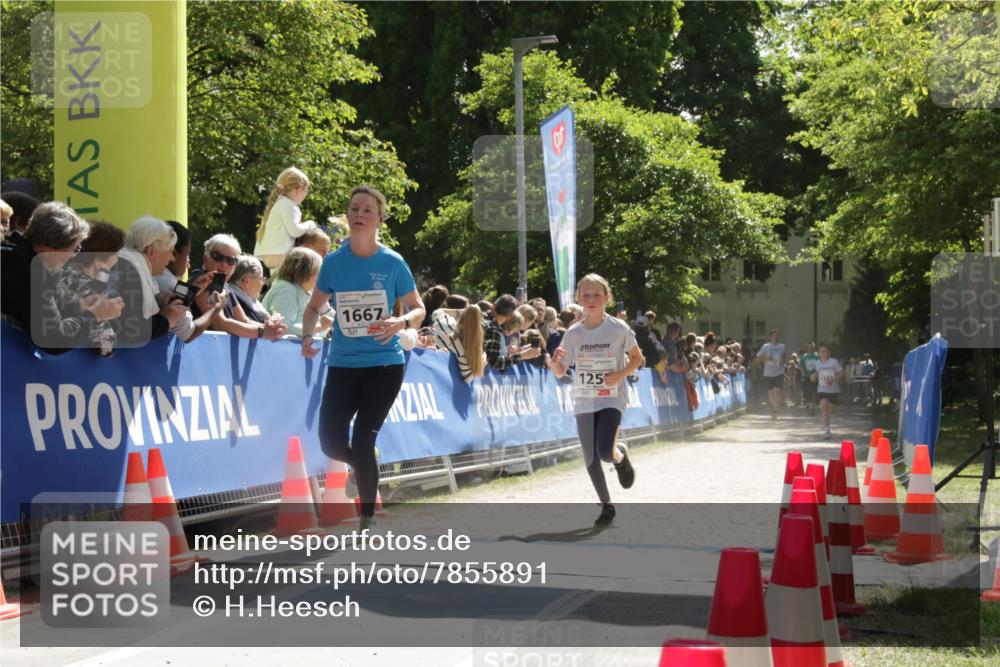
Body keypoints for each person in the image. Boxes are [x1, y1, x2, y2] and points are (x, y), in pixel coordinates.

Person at [301, 185, 426, 531]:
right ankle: (365, 465)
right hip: (343, 363)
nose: (358, 215)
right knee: (330, 441)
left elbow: (418, 308)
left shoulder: (392, 262)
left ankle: (367, 517)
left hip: (384, 364)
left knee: (363, 439)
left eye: (367, 210)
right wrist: (308, 335)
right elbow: (314, 307)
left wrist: (399, 321)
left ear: (379, 219)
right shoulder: (333, 263)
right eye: (354, 208)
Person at [546, 273, 643, 525]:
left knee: (605, 452)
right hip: (584, 399)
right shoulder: (573, 334)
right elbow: (560, 371)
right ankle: (607, 506)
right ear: (579, 299)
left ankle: (619, 456)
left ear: (606, 298)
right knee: (590, 456)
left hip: (611, 397)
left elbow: (637, 358)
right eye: (586, 295)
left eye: (596, 295)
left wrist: (619, 374)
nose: (591, 300)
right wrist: (554, 362)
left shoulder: (618, 328)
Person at [191, 234, 287, 340]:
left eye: (231, 260)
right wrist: (262, 332)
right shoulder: (201, 281)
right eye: (218, 257)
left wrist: (272, 329)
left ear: (235, 266)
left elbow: (244, 320)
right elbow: (219, 324)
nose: (224, 264)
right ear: (205, 259)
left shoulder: (224, 285)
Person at [55, 221, 125, 356]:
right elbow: (104, 346)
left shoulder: (63, 273)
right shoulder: (80, 284)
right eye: (115, 254)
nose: (117, 259)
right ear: (99, 259)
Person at [253, 167, 316, 270]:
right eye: (306, 190)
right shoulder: (289, 205)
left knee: (277, 283)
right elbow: (295, 231)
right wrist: (310, 223)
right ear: (298, 189)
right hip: (280, 253)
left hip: (270, 253)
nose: (306, 194)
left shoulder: (279, 202)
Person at [261, 247, 333, 337]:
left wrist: (327, 311)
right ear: (306, 271)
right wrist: (320, 327)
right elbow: (283, 328)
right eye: (319, 271)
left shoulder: (306, 291)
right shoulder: (286, 290)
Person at [482, 293, 540, 371]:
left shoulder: (482, 318)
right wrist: (522, 355)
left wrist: (508, 352)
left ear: (493, 305)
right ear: (510, 316)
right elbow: (495, 362)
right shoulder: (493, 330)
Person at [432, 305, 487, 383]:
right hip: (439, 381)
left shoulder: (446, 323)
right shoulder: (462, 351)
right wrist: (483, 359)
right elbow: (468, 378)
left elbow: (436, 312)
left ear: (463, 316)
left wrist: (458, 311)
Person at [811, 343, 843, 439]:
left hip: (833, 390)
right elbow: (813, 377)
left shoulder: (833, 362)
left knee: (831, 409)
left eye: (825, 351)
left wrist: (833, 379)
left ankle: (829, 417)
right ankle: (827, 430)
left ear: (828, 352)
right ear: (819, 353)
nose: (823, 353)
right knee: (823, 406)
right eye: (821, 351)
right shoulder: (817, 363)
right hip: (822, 389)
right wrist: (814, 376)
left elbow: (842, 373)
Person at [228, 255, 271, 323]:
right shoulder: (236, 303)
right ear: (247, 281)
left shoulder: (232, 296)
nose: (263, 284)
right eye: (261, 279)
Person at [756, 328, 786, 419]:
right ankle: (774, 407)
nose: (776, 337)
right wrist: (766, 358)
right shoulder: (766, 346)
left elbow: (784, 358)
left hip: (779, 372)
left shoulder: (782, 346)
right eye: (774, 336)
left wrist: (782, 360)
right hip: (768, 373)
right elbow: (757, 359)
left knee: (776, 391)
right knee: (770, 392)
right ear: (770, 337)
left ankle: (776, 408)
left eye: (777, 336)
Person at [800, 342, 820, 415]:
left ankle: (812, 409)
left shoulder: (817, 356)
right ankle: (809, 405)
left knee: (813, 392)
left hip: (815, 376)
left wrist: (817, 372)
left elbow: (820, 364)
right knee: (808, 392)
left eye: (811, 347)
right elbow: (800, 364)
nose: (810, 348)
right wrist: (803, 371)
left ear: (813, 348)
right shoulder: (804, 356)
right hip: (806, 376)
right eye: (808, 347)